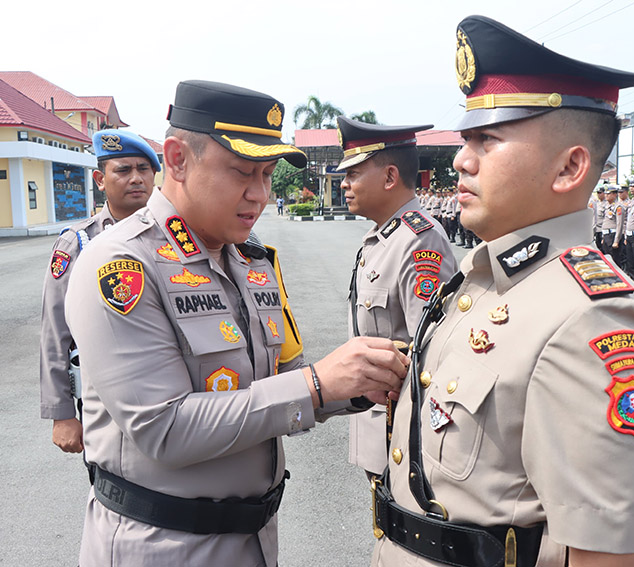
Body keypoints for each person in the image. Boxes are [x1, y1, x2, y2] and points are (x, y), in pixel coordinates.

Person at [371, 15, 634, 567]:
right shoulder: (482, 282)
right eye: (467, 138)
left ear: (569, 167)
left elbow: (609, 558)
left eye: (487, 139)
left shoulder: (594, 321)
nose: (462, 159)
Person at [64, 81, 407, 567]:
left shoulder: (250, 260)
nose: (260, 194)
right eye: (243, 172)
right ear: (178, 160)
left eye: (267, 175)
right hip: (161, 546)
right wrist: (316, 385)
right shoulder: (121, 266)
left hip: (253, 541)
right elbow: (163, 428)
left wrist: (356, 385)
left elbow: (275, 381)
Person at [336, 117, 459, 478]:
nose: (344, 183)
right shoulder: (382, 237)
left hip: (403, 434)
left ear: (390, 177)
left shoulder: (419, 241)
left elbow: (431, 354)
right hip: (378, 426)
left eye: (354, 172)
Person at [40, 129, 161, 454]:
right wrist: (61, 413)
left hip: (169, 388)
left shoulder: (175, 237)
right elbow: (55, 331)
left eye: (144, 169)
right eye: (123, 170)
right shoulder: (78, 243)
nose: (136, 178)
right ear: (100, 179)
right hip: (102, 398)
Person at [600, 184, 624, 264]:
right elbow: (605, 222)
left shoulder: (618, 206)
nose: (606, 195)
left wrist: (616, 240)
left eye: (608, 194)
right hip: (606, 235)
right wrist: (603, 237)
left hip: (612, 235)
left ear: (614, 194)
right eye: (605, 193)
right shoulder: (607, 206)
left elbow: (619, 224)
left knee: (614, 260)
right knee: (607, 260)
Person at [588, 184, 605, 251]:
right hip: (596, 229)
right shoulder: (597, 202)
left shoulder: (593, 201)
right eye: (598, 193)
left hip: (602, 229)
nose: (598, 194)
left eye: (600, 193)